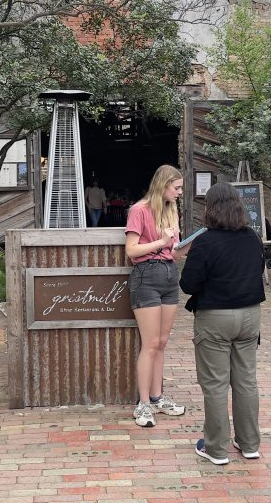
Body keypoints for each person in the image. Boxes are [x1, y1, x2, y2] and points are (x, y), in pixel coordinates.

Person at [179, 182, 266, 465]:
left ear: (211, 209)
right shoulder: (252, 238)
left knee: (216, 385)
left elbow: (188, 284)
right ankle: (249, 443)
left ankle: (216, 448)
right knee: (246, 381)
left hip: (215, 317)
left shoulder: (205, 241)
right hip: (250, 315)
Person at [125, 165, 188, 427]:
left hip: (170, 275)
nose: (180, 193)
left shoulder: (172, 211)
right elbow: (132, 250)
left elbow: (172, 253)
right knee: (150, 343)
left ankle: (157, 397)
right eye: (177, 188)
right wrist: (162, 243)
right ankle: (143, 405)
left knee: (161, 342)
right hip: (146, 276)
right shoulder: (139, 210)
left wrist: (183, 248)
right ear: (163, 185)